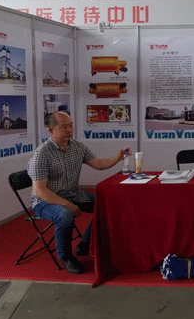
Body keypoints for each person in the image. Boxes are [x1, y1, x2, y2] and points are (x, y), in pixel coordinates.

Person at [28, 111, 130, 275]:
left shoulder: (77, 147)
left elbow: (98, 163)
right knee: (65, 215)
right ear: (51, 130)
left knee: (106, 204)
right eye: (64, 127)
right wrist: (68, 205)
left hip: (73, 194)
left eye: (71, 126)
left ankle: (85, 244)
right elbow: (40, 190)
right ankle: (67, 257)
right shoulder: (42, 154)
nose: (69, 130)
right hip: (46, 201)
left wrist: (118, 157)